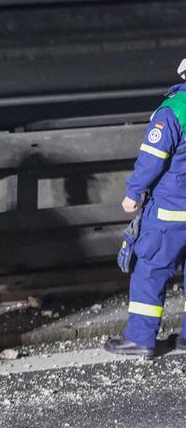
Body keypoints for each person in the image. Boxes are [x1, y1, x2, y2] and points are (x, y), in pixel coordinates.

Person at [106, 58, 186, 357]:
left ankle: (141, 338)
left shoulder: (175, 110)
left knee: (149, 272)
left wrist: (133, 192)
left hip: (169, 213)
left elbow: (152, 157)